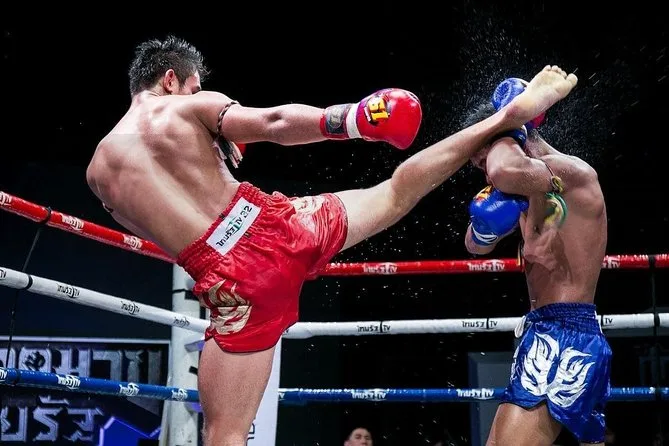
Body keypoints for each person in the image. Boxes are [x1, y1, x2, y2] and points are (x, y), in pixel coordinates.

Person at [85, 34, 577, 445]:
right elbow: (274, 123)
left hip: (231, 282)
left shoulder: (98, 175)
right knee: (395, 192)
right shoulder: (189, 108)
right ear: (171, 80)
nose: (196, 92)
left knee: (225, 436)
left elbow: (168, 237)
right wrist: (355, 120)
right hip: (276, 225)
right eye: (194, 86)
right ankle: (502, 120)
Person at [462, 75, 611, 445]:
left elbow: (503, 170)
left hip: (564, 337)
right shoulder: (530, 189)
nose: (486, 173)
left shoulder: (571, 174)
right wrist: (486, 228)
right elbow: (474, 245)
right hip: (549, 332)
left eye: (484, 159)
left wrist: (510, 123)